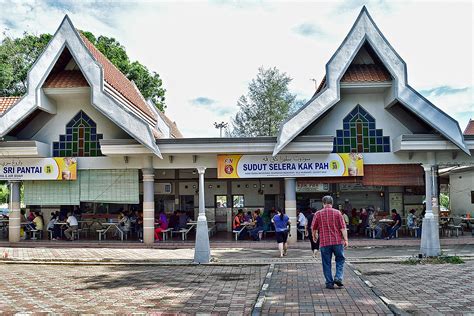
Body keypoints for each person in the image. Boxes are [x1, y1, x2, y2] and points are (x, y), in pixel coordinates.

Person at [312, 195, 348, 289]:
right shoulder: (338, 213)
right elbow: (343, 228)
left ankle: (329, 283)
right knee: (340, 259)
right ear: (332, 203)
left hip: (324, 242)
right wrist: (346, 239)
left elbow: (314, 228)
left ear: (323, 203)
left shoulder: (318, 214)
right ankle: (338, 277)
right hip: (337, 241)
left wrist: (314, 236)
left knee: (326, 262)